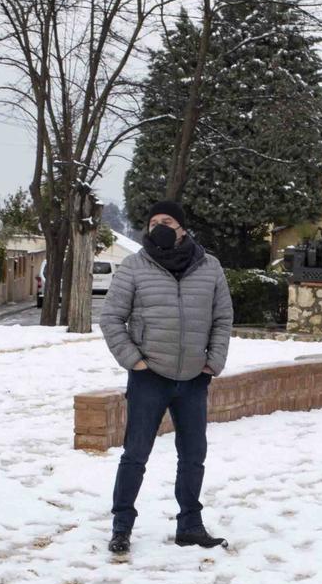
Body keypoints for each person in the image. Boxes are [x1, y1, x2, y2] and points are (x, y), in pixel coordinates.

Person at [97, 199, 235, 555]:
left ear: (183, 229)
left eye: (168, 221)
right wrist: (134, 361)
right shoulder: (133, 267)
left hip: (193, 378)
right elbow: (111, 318)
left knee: (193, 456)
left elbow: (222, 319)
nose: (159, 226)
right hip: (149, 377)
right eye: (153, 221)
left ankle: (190, 525)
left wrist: (213, 362)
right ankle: (121, 527)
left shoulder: (210, 267)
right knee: (135, 455)